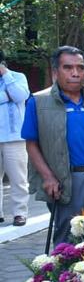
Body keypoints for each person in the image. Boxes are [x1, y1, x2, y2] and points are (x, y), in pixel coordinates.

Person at [22, 47, 84, 244]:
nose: (75, 73)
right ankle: (66, 275)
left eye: (80, 68)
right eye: (68, 67)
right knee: (70, 242)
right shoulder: (39, 101)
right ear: (55, 71)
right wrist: (48, 177)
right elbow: (31, 144)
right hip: (67, 181)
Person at [0, 49, 30, 226]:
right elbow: (12, 97)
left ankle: (20, 213)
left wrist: (5, 75)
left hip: (14, 137)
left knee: (18, 178)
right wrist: (6, 97)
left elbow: (21, 95)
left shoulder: (18, 77)